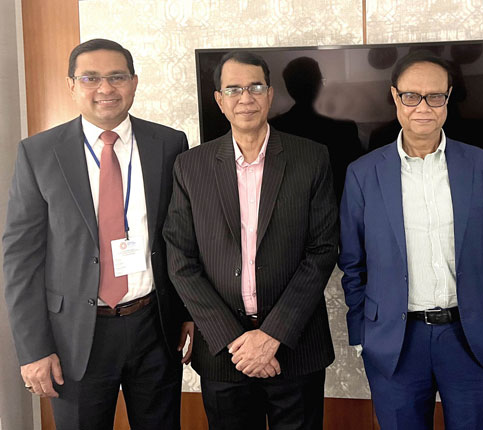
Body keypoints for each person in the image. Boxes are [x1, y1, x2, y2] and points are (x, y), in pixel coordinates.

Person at [2, 38, 193, 429]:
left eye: (117, 77)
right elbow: (20, 259)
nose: (105, 88)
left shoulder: (169, 144)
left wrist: (189, 312)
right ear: (71, 86)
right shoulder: (39, 153)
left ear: (134, 83)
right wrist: (34, 349)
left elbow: (184, 237)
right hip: (73, 336)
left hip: (154, 325)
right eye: (90, 78)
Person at [339, 50, 483, 430]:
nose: (423, 107)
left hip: (472, 340)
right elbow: (353, 263)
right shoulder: (363, 174)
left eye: (435, 96)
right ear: (395, 96)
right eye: (411, 96)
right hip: (395, 342)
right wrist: (362, 334)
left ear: (448, 98)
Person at [163, 51, 338, 430]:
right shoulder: (191, 166)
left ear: (270, 94)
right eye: (233, 89)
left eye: (255, 87)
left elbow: (322, 250)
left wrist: (273, 334)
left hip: (296, 345)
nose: (246, 98)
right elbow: (180, 258)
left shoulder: (311, 158)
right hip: (225, 353)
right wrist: (233, 340)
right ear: (219, 99)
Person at [269, 56, 363, 203]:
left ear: (289, 89)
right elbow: (359, 177)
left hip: (290, 209)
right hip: (338, 207)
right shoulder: (344, 128)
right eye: (321, 80)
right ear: (319, 84)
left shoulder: (274, 127)